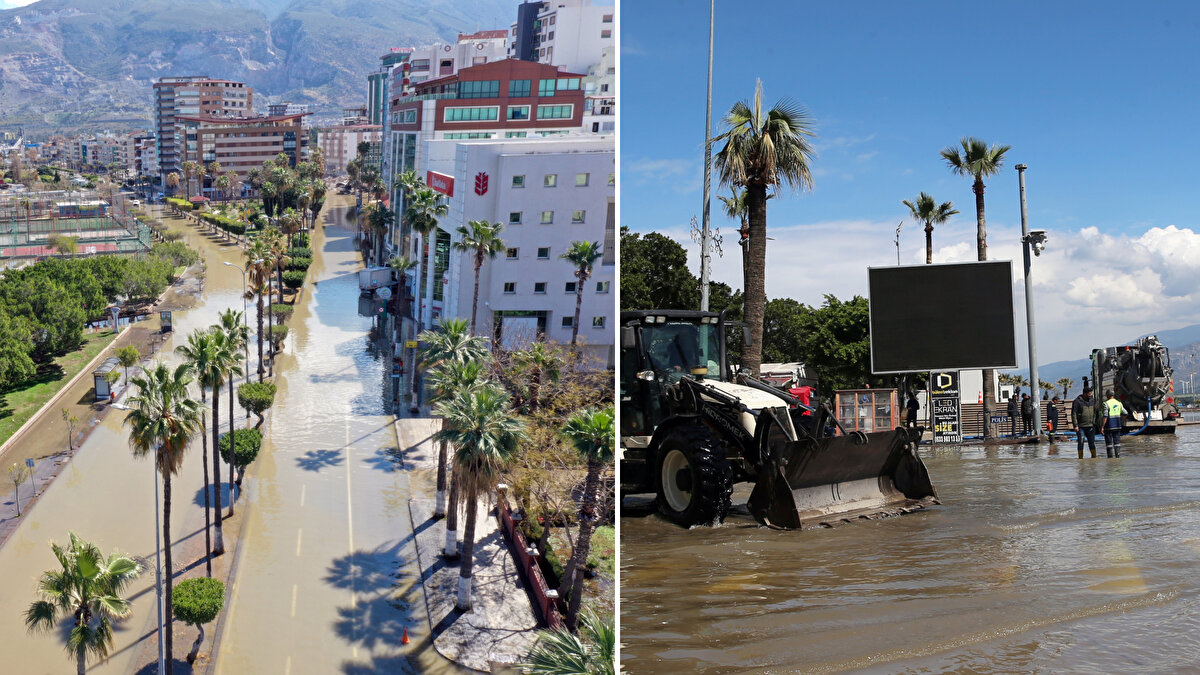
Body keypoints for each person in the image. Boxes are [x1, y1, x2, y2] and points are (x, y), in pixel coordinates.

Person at [1073, 387, 1100, 458]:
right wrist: (1075, 425)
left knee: (1091, 442)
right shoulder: (1077, 401)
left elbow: (1096, 412)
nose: (1090, 395)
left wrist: (1095, 422)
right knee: (1081, 442)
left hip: (1091, 426)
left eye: (1091, 393)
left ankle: (1094, 458)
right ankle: (1081, 458)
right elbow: (1074, 414)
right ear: (1084, 393)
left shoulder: (1092, 401)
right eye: (1089, 393)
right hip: (1081, 426)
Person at [1102, 390, 1130, 458]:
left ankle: (1110, 459)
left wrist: (1102, 426)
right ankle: (1118, 457)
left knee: (1109, 444)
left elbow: (1105, 416)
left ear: (1107, 395)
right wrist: (1121, 419)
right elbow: (1125, 413)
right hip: (1117, 425)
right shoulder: (1119, 403)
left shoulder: (1106, 403)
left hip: (1109, 426)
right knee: (1117, 443)